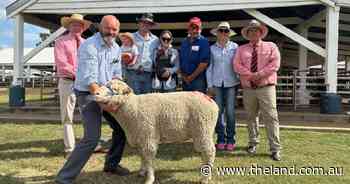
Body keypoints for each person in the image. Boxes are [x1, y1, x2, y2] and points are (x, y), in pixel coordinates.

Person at [55, 15, 130, 184]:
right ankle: (63, 178)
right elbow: (90, 81)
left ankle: (111, 165)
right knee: (92, 138)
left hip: (107, 91)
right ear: (100, 27)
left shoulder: (116, 48)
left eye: (114, 29)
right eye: (107, 28)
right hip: (88, 94)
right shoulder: (89, 46)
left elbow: (117, 75)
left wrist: (118, 95)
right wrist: (105, 103)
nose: (110, 32)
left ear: (118, 31)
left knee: (121, 128)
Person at [55, 14, 108, 156]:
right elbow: (62, 64)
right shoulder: (60, 41)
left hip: (85, 84)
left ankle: (93, 144)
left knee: (90, 114)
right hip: (68, 81)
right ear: (69, 26)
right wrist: (81, 74)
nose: (77, 27)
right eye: (74, 24)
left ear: (83, 28)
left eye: (79, 25)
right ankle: (70, 148)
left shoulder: (87, 43)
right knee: (67, 116)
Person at [233, 20, 282, 161]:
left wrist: (259, 75)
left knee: (271, 117)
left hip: (266, 88)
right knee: (251, 117)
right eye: (251, 31)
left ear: (261, 32)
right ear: (247, 34)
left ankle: (275, 148)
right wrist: (251, 76)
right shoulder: (241, 49)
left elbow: (275, 64)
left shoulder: (271, 46)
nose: (254, 33)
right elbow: (236, 65)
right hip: (249, 89)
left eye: (256, 30)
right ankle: (253, 143)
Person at [206, 22, 239, 151]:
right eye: (221, 31)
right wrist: (210, 85)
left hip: (231, 83)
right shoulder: (212, 48)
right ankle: (220, 139)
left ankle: (230, 139)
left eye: (226, 31)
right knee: (218, 112)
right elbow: (209, 68)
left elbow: (238, 65)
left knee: (230, 112)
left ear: (229, 33)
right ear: (217, 33)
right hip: (217, 84)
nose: (224, 33)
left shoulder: (235, 47)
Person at [125, 13, 159, 94]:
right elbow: (123, 54)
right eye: (143, 22)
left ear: (151, 26)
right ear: (139, 23)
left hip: (148, 74)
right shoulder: (130, 37)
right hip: (132, 73)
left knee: (146, 101)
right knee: (133, 100)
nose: (146, 25)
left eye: (149, 23)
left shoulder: (156, 40)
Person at [179, 17, 210, 93]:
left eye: (197, 28)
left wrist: (191, 77)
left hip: (198, 80)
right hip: (185, 80)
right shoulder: (184, 42)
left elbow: (204, 63)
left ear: (201, 29)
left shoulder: (204, 42)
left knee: (198, 104)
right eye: (192, 28)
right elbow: (180, 60)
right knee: (186, 104)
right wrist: (184, 77)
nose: (195, 30)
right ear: (189, 29)